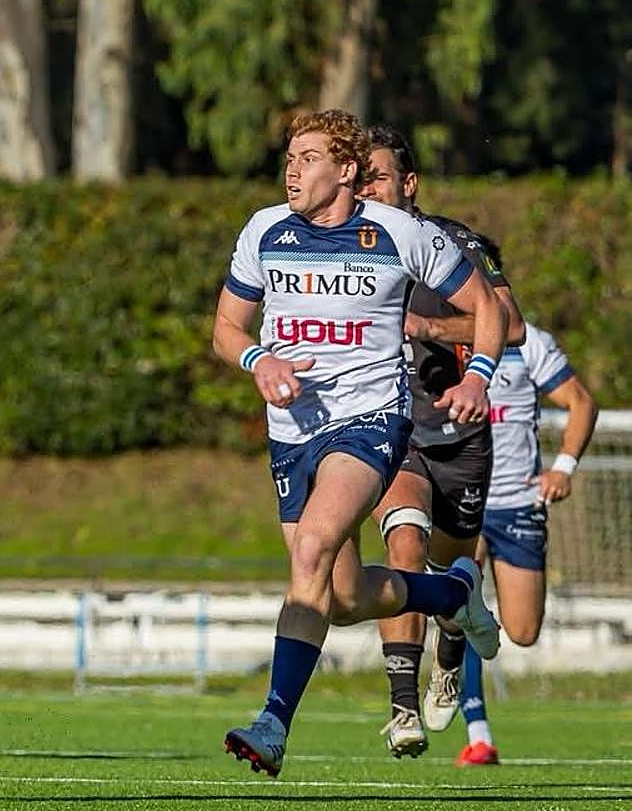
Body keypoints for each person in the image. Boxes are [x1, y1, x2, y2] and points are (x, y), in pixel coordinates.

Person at [213, 108, 505, 778]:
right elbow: (226, 327)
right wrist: (258, 360)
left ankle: (273, 724)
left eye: (309, 157)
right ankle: (449, 598)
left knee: (310, 551)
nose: (292, 168)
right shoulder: (264, 231)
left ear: (346, 171)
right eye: (289, 156)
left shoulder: (400, 233)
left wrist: (480, 377)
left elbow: (487, 308)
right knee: (338, 597)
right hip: (291, 434)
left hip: (370, 422)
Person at [359, 124, 526, 758]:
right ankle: (402, 705)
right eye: (360, 177)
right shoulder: (351, 250)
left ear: (409, 183)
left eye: (376, 176)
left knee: (453, 564)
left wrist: (432, 323)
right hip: (389, 429)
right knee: (404, 542)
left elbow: (510, 323)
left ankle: (450, 646)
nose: (365, 188)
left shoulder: (456, 244)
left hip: (459, 432)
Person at [452, 314, 598, 765]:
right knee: (460, 603)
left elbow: (580, 402)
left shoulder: (529, 341)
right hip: (461, 501)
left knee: (523, 630)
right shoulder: (436, 340)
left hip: (518, 504)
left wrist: (564, 467)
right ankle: (478, 734)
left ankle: (469, 623)